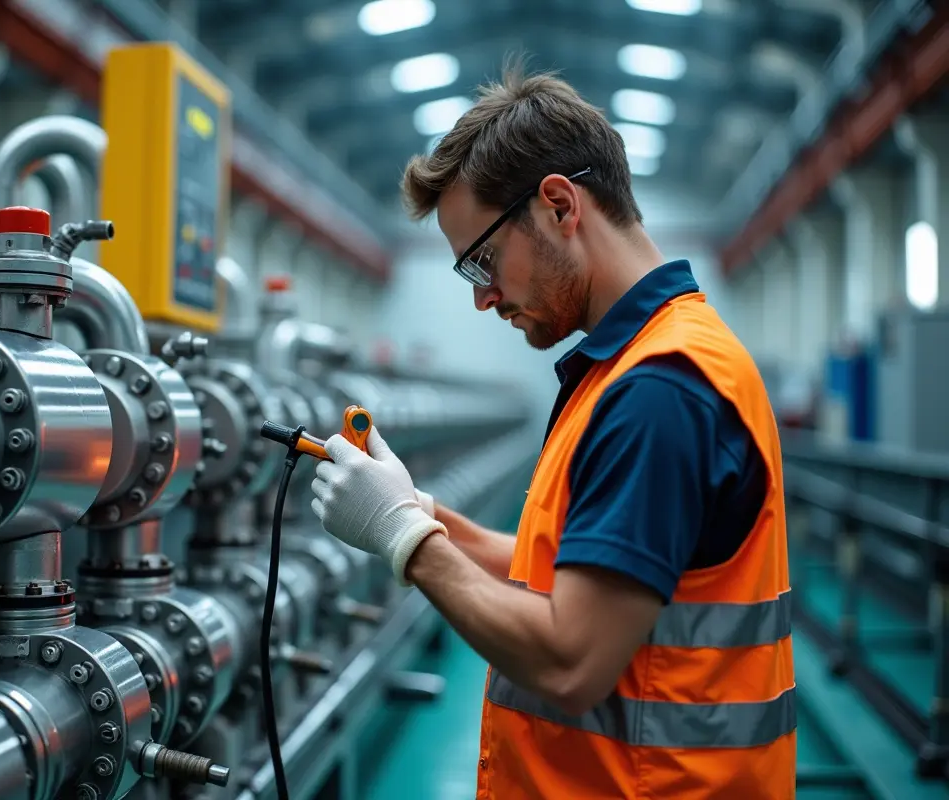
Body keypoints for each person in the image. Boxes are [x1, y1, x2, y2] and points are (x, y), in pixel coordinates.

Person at [309, 66, 796, 799]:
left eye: (484, 259)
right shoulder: (631, 367)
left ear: (560, 205)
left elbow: (572, 661)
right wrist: (420, 511)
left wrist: (405, 541)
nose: (482, 297)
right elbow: (562, 571)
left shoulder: (660, 390)